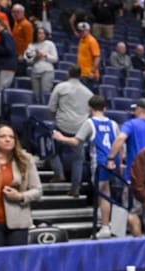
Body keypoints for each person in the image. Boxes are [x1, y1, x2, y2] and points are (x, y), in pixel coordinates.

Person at [53, 95, 120, 239]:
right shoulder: (113, 124)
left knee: (102, 195)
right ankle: (107, 225)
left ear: (90, 108)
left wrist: (61, 138)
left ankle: (105, 226)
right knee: (106, 193)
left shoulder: (90, 123)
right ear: (105, 108)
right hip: (113, 161)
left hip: (100, 162)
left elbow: (76, 141)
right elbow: (120, 144)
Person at [0, 124, 42, 247]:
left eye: (11, 137)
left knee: (16, 263)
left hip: (18, 221)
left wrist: (20, 196)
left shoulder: (25, 160)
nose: (8, 139)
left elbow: (37, 191)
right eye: (3, 136)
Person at [106, 98, 145, 236]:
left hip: (135, 178)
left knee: (130, 213)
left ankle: (137, 245)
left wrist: (111, 158)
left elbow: (120, 139)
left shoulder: (131, 124)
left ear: (139, 109)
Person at [47, 64, 93, 196]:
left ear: (68, 73)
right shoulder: (88, 92)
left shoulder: (61, 87)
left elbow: (51, 107)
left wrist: (54, 119)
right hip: (79, 129)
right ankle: (75, 188)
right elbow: (90, 112)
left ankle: (58, 173)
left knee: (50, 148)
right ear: (80, 75)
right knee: (78, 159)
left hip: (61, 125)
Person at [24, 27, 59, 104]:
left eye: (43, 33)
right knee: (36, 95)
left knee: (45, 93)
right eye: (39, 33)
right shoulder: (31, 45)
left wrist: (45, 55)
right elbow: (27, 59)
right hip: (35, 71)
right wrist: (36, 57)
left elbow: (55, 59)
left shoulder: (50, 44)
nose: (41, 35)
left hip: (47, 71)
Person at [76, 22, 101, 91]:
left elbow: (97, 57)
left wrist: (92, 71)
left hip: (89, 74)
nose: (81, 33)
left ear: (87, 31)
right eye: (79, 31)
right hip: (82, 73)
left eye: (82, 31)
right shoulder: (81, 40)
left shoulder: (92, 41)